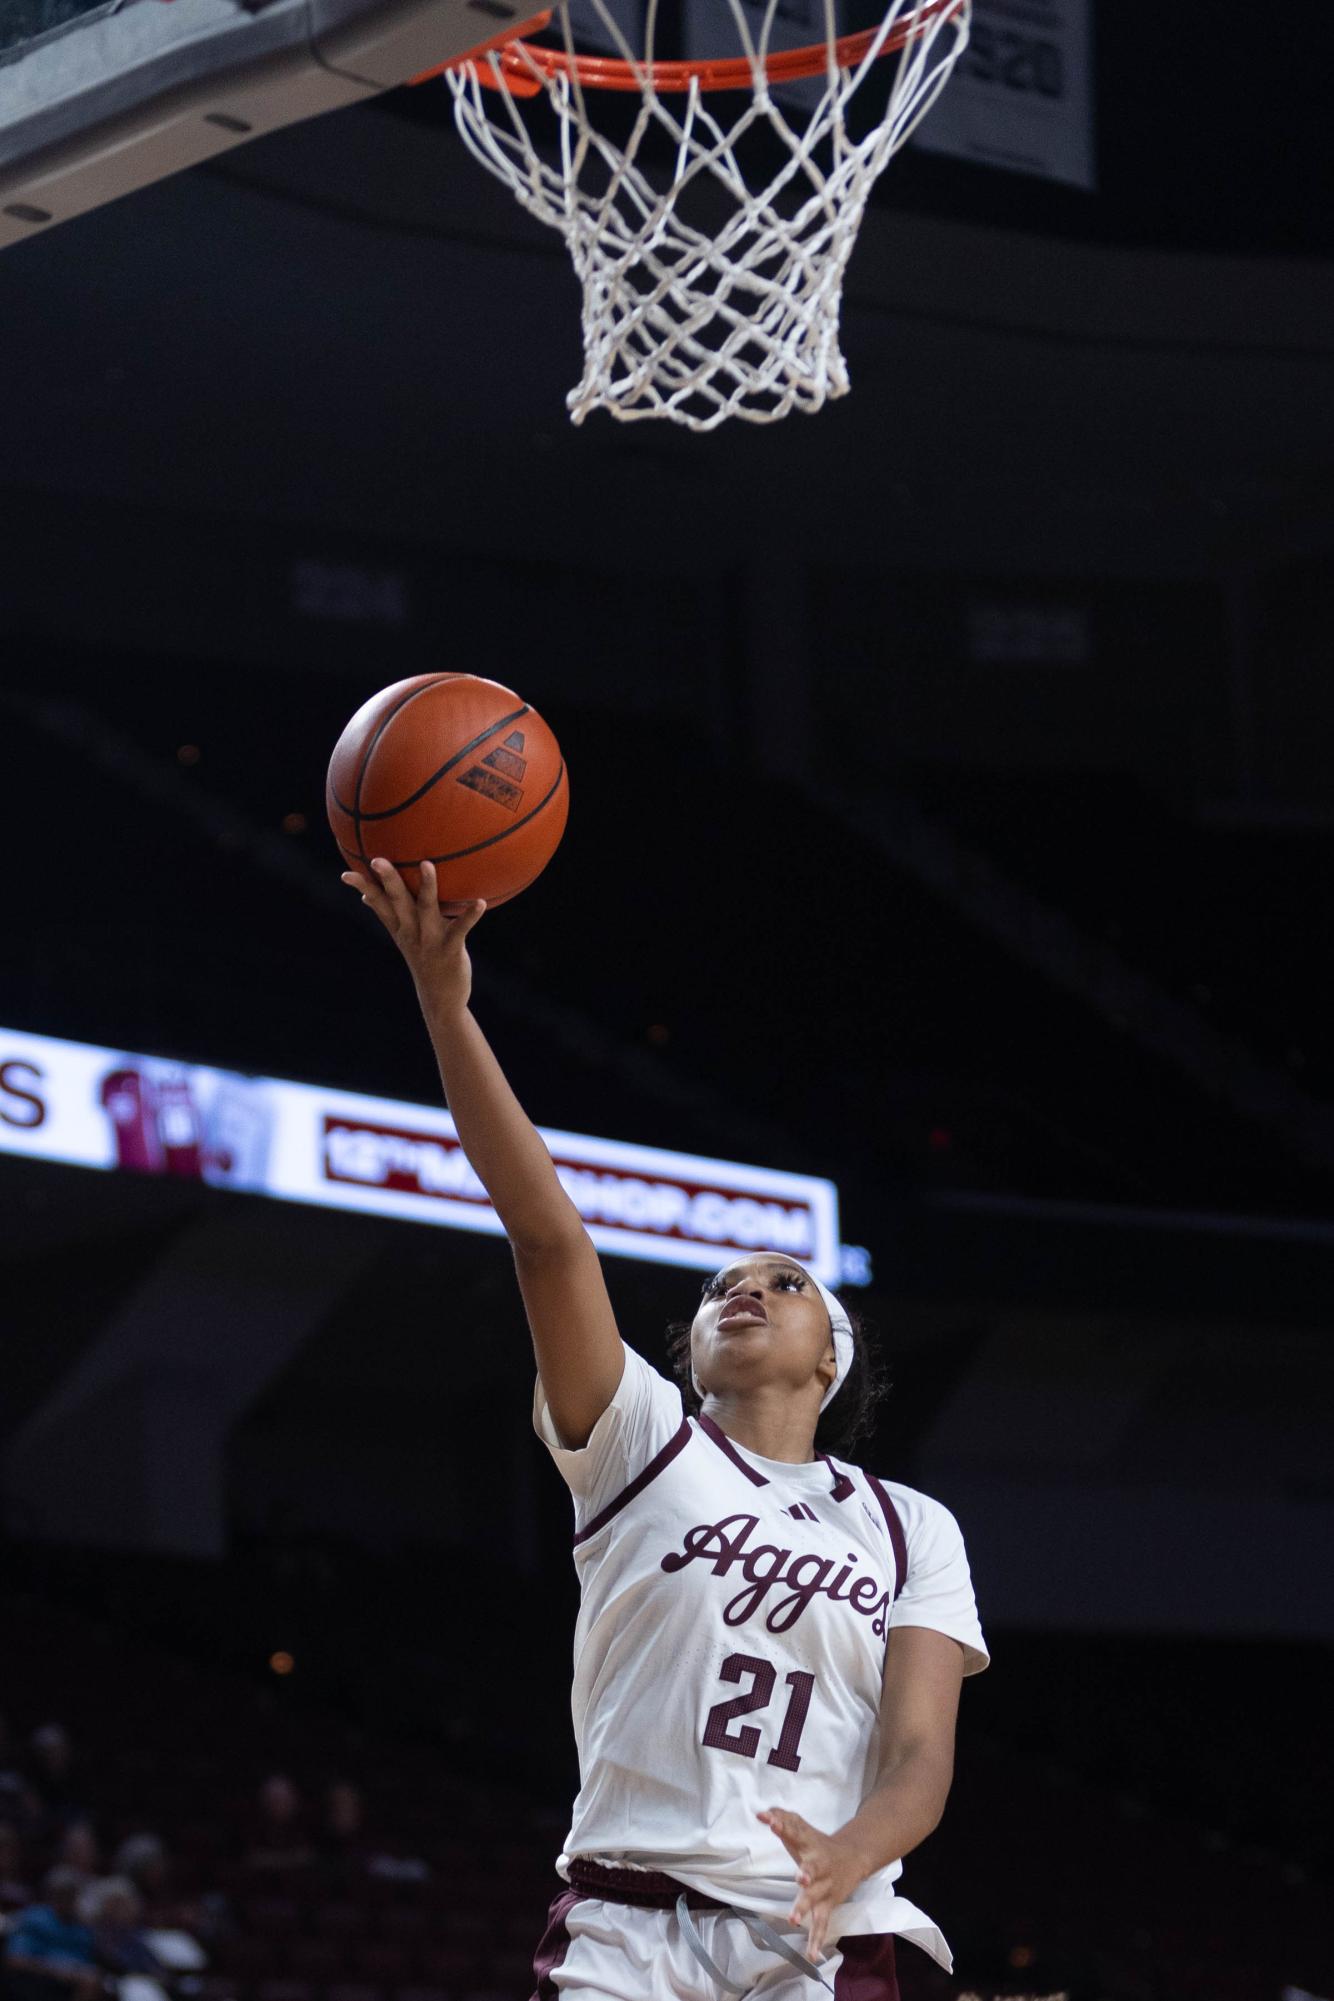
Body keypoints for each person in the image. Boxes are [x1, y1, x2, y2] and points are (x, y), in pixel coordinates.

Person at [343, 860, 989, 2001]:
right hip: (625, 1925)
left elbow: (916, 1754)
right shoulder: (644, 1443)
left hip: (817, 1928)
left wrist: (853, 1850)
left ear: (830, 1356)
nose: (739, 1293)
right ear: (684, 1354)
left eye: (780, 1283)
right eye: (715, 1290)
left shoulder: (907, 1527)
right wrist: (446, 1005)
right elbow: (549, 1238)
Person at [3, 1866, 102, 2001]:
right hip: (42, 1980)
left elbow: (88, 1961)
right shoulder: (34, 1920)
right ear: (50, 1895)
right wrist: (56, 1970)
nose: (68, 1900)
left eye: (73, 1895)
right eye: (63, 1894)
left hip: (77, 1980)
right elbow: (16, 1960)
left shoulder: (82, 1927)